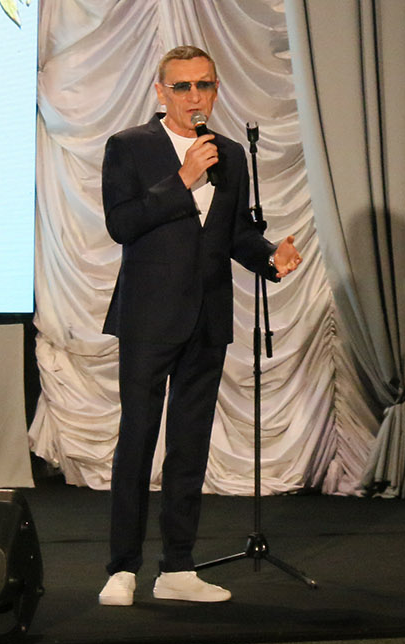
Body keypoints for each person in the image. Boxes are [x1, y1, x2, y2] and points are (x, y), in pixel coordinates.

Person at [97, 45, 300, 606]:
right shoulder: (129, 146)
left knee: (189, 447)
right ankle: (122, 567)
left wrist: (270, 258)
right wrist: (182, 179)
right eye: (182, 86)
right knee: (137, 441)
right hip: (148, 318)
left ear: (215, 90)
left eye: (204, 85)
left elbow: (234, 235)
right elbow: (122, 224)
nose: (194, 96)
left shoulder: (230, 154)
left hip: (207, 318)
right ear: (161, 92)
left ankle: (177, 568)